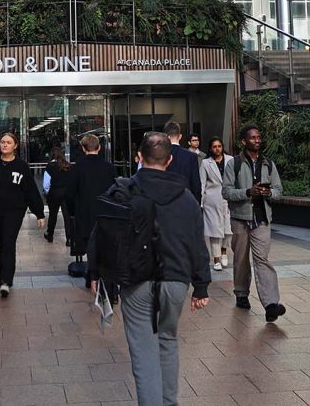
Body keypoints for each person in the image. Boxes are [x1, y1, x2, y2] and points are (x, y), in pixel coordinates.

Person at [93, 132, 210, 406]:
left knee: (144, 352)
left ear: (138, 157)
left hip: (136, 281)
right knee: (167, 340)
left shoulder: (123, 191)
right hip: (176, 281)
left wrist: (96, 273)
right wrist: (201, 285)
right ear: (169, 160)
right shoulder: (186, 198)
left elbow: (102, 234)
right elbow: (197, 242)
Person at [222, 125, 286, 321]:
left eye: (259, 137)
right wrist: (248, 192)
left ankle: (271, 304)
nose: (257, 140)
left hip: (262, 219)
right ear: (244, 141)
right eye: (252, 137)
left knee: (262, 260)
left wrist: (269, 193)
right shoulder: (234, 164)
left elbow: (279, 190)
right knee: (241, 260)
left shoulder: (268, 164)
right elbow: (226, 191)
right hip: (240, 219)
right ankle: (241, 293)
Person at [0, 132, 44, 297]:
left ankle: (5, 280)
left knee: (8, 242)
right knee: (1, 244)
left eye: (8, 142)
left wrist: (39, 213)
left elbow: (31, 191)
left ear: (15, 146)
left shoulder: (22, 166)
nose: (4, 145)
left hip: (15, 211)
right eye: (2, 142)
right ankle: (4, 275)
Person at [70, 134, 118, 257]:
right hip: (105, 213)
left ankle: (91, 267)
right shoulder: (110, 167)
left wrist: (72, 210)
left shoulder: (77, 167)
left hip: (84, 213)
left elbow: (71, 192)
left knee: (89, 246)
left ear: (83, 148)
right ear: (99, 147)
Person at [200, 137, 233, 271]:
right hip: (212, 200)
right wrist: (201, 203)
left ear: (222, 147)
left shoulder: (230, 160)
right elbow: (202, 183)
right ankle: (216, 259)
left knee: (228, 229)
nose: (217, 149)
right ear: (210, 148)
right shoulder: (205, 163)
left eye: (219, 146)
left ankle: (224, 251)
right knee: (214, 230)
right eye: (214, 146)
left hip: (229, 198)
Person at [163, 121, 203, 203]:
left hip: (164, 201)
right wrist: (196, 204)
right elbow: (196, 184)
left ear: (166, 136)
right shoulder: (191, 156)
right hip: (185, 201)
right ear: (180, 136)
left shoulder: (159, 154)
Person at [43, 147, 75, 246]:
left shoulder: (49, 166)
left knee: (53, 215)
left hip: (54, 193)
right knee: (67, 216)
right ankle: (69, 239)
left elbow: (46, 184)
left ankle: (50, 235)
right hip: (66, 193)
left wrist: (47, 193)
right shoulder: (68, 166)